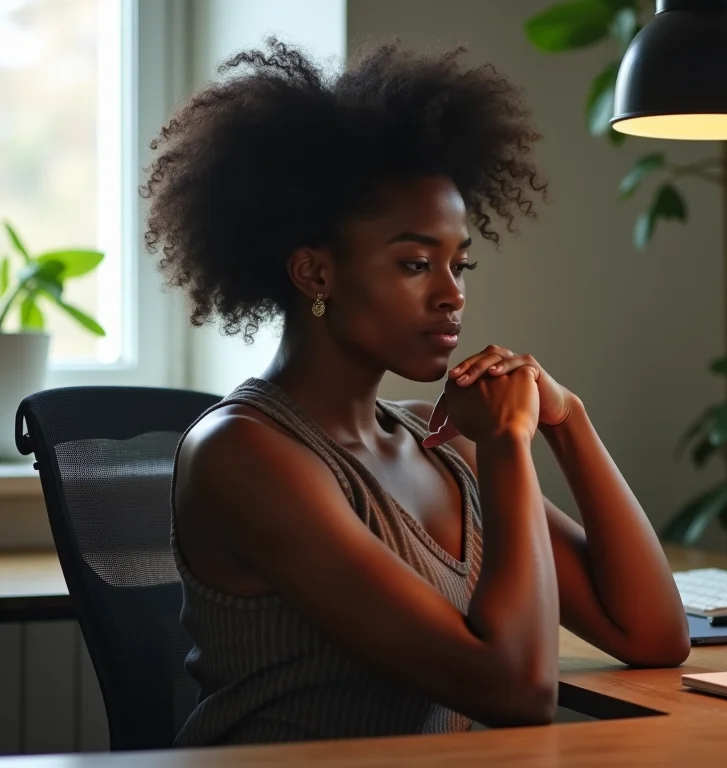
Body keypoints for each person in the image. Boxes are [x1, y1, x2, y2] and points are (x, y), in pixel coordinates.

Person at [141, 38, 690, 747]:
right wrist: (507, 444)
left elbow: (652, 634)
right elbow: (518, 690)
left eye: (460, 263)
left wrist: (568, 421)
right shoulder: (244, 454)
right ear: (315, 274)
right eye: (414, 263)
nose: (451, 295)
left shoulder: (437, 441)